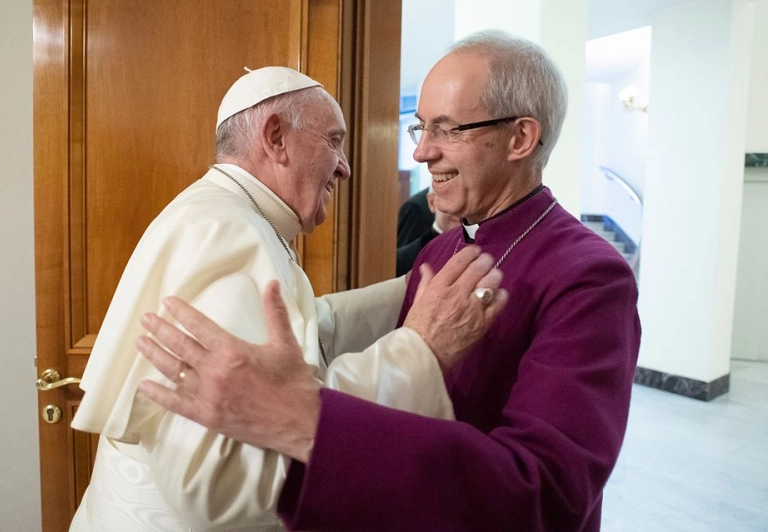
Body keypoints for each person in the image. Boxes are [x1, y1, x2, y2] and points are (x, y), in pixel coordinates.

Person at [137, 30, 641, 532]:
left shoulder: (589, 275)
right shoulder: (445, 247)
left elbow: (548, 494)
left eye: (446, 130)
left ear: (520, 138)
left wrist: (308, 421)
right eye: (420, 128)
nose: (421, 153)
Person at [69, 66, 507, 531]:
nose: (345, 166)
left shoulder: (223, 214)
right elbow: (217, 484)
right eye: (334, 141)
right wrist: (420, 349)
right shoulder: (230, 238)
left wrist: (414, 289)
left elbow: (301, 333)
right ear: (275, 137)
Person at [396, 188, 461, 276]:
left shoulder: (482, 250)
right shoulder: (402, 260)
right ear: (432, 202)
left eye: (469, 199)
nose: (460, 208)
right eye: (451, 199)